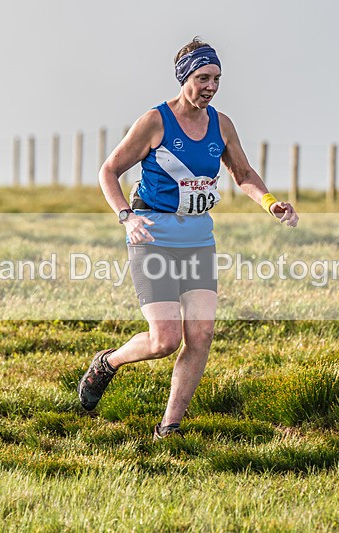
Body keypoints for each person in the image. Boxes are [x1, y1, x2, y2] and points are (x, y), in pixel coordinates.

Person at [78, 37, 299, 440]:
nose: (210, 86)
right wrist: (126, 217)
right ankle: (108, 363)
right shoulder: (155, 122)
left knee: (201, 334)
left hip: (198, 239)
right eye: (202, 78)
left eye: (216, 78)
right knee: (165, 340)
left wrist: (270, 203)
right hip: (153, 237)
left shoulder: (222, 124)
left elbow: (243, 174)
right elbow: (108, 171)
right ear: (184, 78)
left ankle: (170, 427)